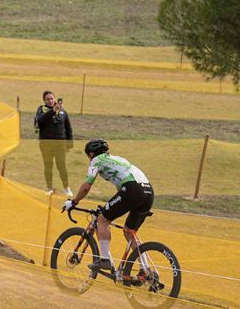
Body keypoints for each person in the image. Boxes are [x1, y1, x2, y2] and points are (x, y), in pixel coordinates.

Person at [62, 139, 154, 284]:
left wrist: (73, 202)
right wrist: (108, 207)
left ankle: (105, 260)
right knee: (129, 231)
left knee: (102, 220)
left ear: (91, 154)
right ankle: (146, 270)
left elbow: (86, 187)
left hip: (133, 190)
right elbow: (122, 194)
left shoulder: (96, 161)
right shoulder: (118, 159)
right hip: (148, 192)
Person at [33, 90, 74, 195]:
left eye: (52, 98)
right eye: (48, 99)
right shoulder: (41, 110)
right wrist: (52, 111)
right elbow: (40, 122)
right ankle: (50, 188)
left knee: (61, 165)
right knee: (48, 165)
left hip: (60, 144)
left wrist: (70, 144)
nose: (50, 101)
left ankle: (66, 187)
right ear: (44, 100)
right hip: (46, 144)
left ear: (55, 99)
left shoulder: (63, 111)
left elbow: (68, 128)